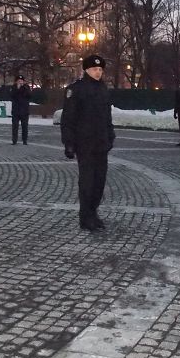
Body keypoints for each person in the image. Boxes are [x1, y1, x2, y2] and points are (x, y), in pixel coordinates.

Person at [61, 54, 115, 231]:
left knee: (99, 182)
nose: (98, 72)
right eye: (94, 69)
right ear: (86, 70)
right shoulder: (76, 89)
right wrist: (69, 143)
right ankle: (85, 217)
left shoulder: (103, 89)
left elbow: (107, 116)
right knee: (87, 182)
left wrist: (110, 136)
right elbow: (68, 118)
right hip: (84, 143)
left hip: (101, 142)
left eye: (100, 69)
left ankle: (93, 212)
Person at [10, 75, 31, 145]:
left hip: (24, 111)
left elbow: (29, 95)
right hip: (16, 111)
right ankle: (14, 140)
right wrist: (17, 88)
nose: (20, 82)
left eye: (21, 81)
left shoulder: (26, 87)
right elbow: (12, 95)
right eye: (18, 81)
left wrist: (24, 87)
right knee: (15, 127)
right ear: (16, 82)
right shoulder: (13, 87)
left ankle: (25, 140)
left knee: (25, 127)